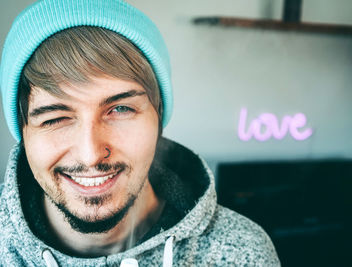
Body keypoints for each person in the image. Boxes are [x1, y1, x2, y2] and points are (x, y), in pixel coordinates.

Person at [0, 0, 280, 266]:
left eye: (120, 109)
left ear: (158, 116)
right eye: (55, 119)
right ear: (24, 134)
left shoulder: (243, 252)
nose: (90, 154)